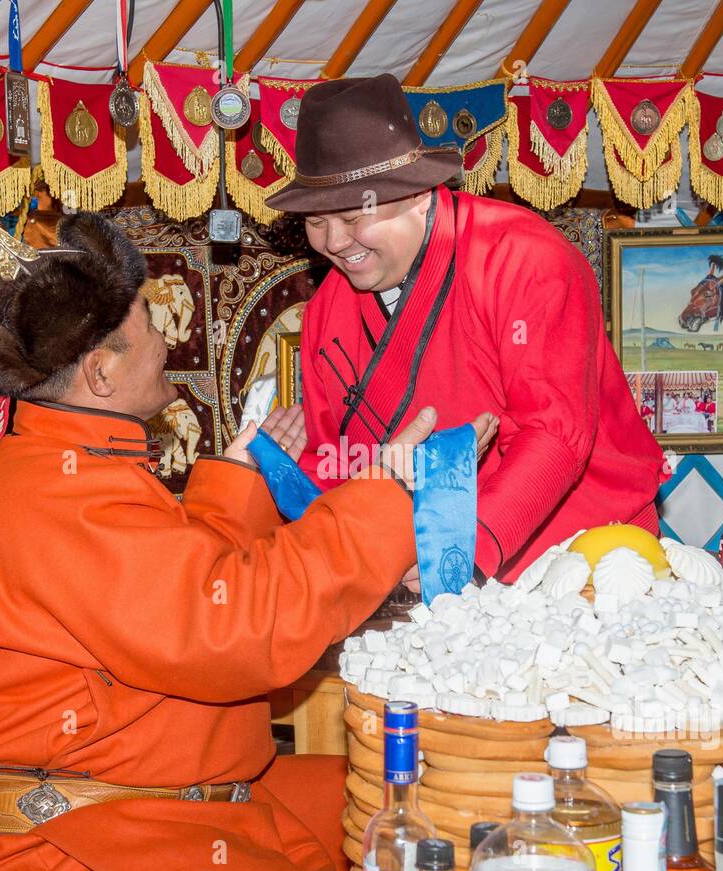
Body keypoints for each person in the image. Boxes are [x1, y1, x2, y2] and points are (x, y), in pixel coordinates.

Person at [0, 206, 496, 871]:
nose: (166, 337)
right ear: (99, 372)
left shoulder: (67, 463)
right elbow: (232, 630)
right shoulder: (54, 492)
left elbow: (176, 593)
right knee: (409, 828)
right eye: (149, 323)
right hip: (76, 853)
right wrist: (388, 497)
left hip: (155, 801)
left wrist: (232, 479)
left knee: (418, 794)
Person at [265, 74, 665, 585]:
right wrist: (282, 480)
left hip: (581, 554)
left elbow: (552, 434)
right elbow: (338, 459)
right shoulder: (326, 312)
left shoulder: (525, 261)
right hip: (420, 568)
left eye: (351, 216)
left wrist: (460, 551)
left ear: (415, 194)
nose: (335, 242)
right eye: (315, 222)